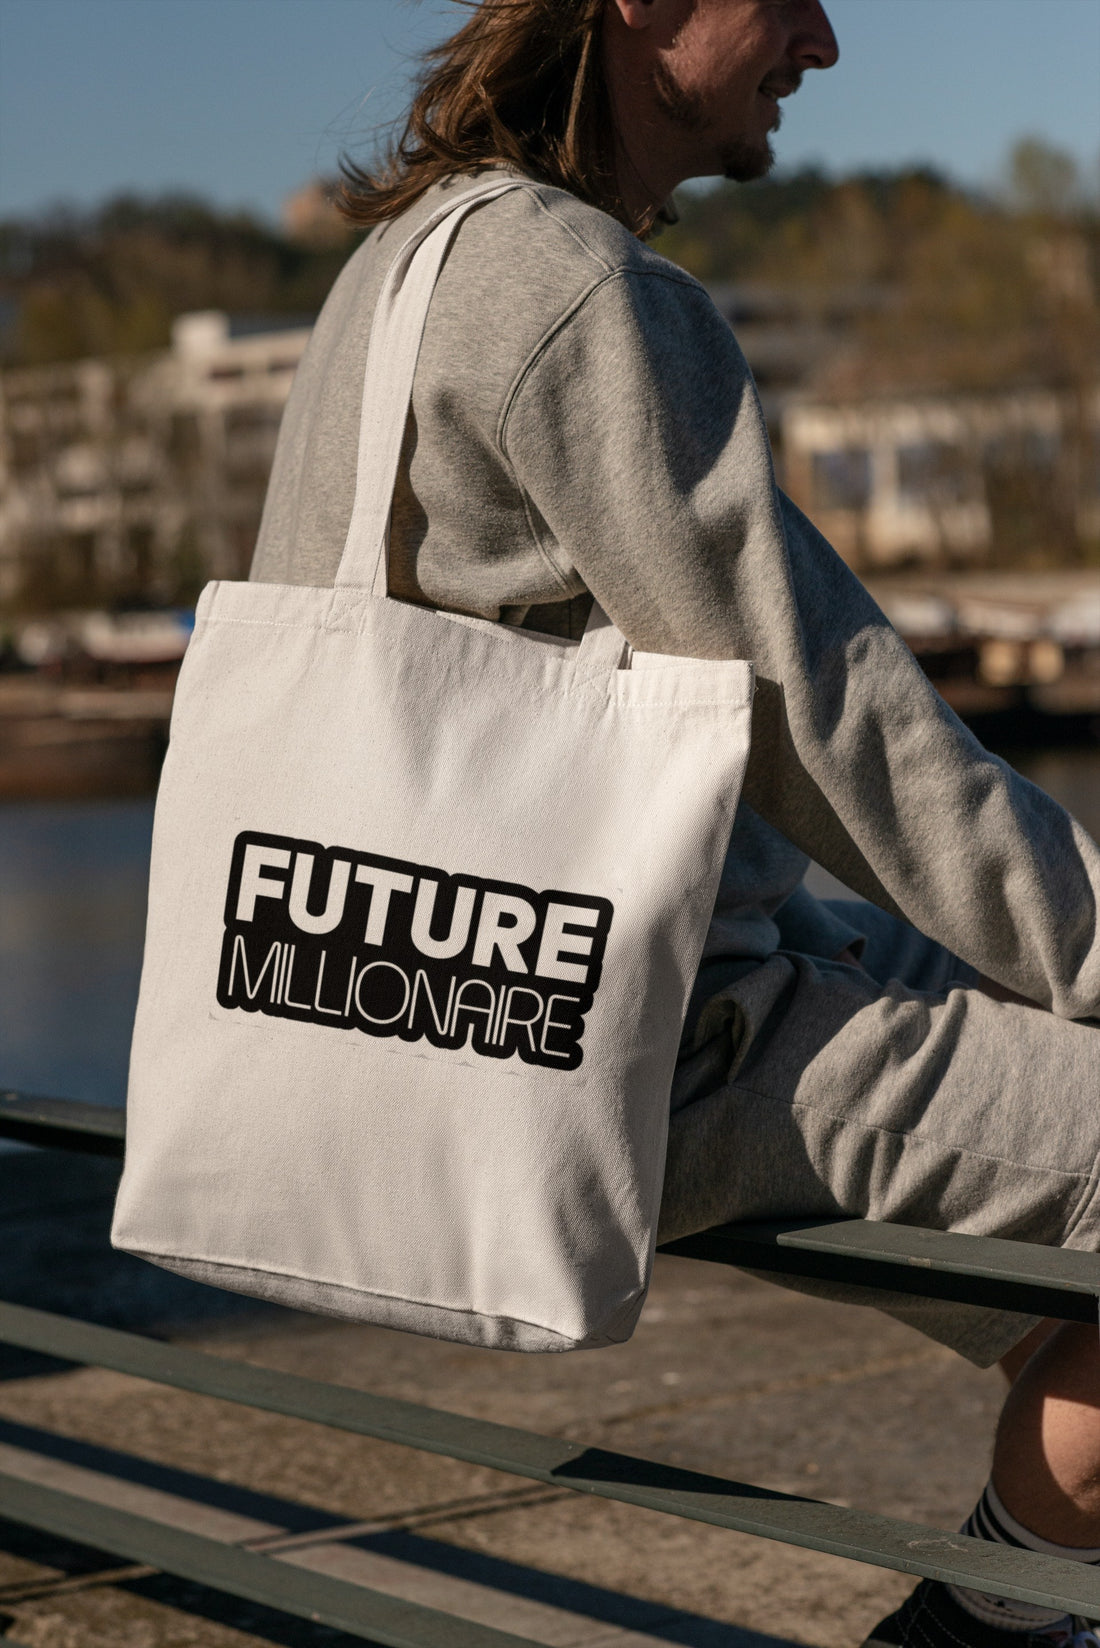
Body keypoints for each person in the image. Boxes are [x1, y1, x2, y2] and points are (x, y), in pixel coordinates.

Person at [249, 2, 1100, 1642]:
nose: (827, 43)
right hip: (625, 1048)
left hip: (423, 1007)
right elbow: (831, 721)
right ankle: (989, 1626)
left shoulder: (402, 269)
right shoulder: (577, 290)